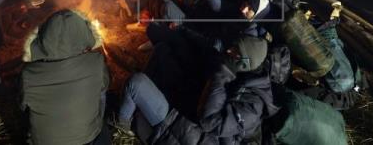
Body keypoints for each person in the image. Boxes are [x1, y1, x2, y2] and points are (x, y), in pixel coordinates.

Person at [116, 36, 277, 144]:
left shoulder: (252, 107)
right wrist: (181, 33)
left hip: (186, 132)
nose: (229, 51)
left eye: (235, 52)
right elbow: (205, 56)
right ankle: (141, 105)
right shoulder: (239, 71)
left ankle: (122, 130)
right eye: (233, 47)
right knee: (162, 50)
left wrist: (222, 73)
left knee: (135, 83)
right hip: (187, 105)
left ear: (245, 63)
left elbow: (208, 121)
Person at [21, 10, 109, 145]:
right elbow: (105, 86)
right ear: (82, 33)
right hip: (87, 139)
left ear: (45, 37)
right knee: (101, 92)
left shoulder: (28, 74)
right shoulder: (96, 62)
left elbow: (22, 105)